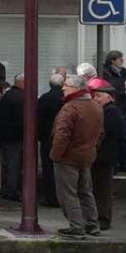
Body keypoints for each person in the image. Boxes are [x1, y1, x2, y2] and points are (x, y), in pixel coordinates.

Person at [52, 74, 103, 239]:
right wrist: (92, 149)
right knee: (86, 192)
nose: (63, 88)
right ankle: (92, 224)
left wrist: (56, 155)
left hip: (68, 157)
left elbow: (61, 135)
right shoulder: (96, 107)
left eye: (66, 85)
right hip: (87, 155)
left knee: (68, 194)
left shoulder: (70, 108)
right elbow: (100, 134)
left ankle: (76, 227)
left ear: (76, 89)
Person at [88, 80, 123, 231]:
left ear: (109, 97)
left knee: (102, 189)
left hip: (104, 157)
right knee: (99, 188)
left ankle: (103, 218)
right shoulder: (109, 111)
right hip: (103, 156)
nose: (96, 99)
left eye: (99, 97)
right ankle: (99, 216)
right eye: (95, 97)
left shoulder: (110, 112)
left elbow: (103, 134)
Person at [0, 74, 25, 201]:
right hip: (16, 137)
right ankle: (13, 191)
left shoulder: (8, 96)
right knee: (14, 166)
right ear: (23, 83)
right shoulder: (21, 98)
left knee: (7, 164)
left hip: (5, 136)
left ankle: (6, 189)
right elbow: (20, 120)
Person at [38, 73, 65, 207]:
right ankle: (61, 197)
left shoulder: (44, 99)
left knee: (48, 169)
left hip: (47, 139)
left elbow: (38, 119)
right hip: (63, 138)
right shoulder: (65, 99)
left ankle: (50, 197)